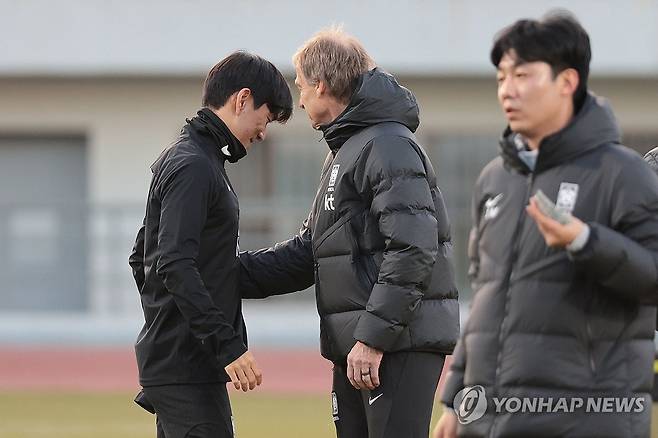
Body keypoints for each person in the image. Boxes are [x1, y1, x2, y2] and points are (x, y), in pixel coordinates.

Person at [433, 11, 658, 438]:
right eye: (501, 77)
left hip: (589, 421)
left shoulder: (625, 175)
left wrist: (587, 242)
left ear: (567, 83)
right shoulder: (495, 178)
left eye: (523, 75)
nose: (507, 91)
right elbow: (486, 300)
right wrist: (458, 400)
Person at [238, 28, 460, 438]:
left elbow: (413, 248)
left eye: (302, 87)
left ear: (322, 85)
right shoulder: (345, 150)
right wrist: (224, 272)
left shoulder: (388, 145)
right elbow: (310, 253)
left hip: (392, 344)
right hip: (360, 345)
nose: (300, 99)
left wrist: (373, 338)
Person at [128, 51, 292, 438]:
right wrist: (226, 345)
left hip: (181, 367)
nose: (263, 132)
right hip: (187, 370)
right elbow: (171, 264)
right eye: (265, 118)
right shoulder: (194, 166)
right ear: (242, 99)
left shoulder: (192, 158)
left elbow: (143, 258)